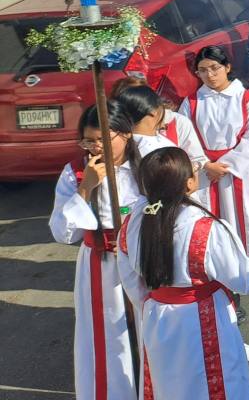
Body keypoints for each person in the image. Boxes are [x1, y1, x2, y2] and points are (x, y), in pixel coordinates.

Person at [117, 147, 249, 398]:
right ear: (190, 183)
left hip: (157, 318)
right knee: (214, 385)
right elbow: (248, 279)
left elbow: (132, 283)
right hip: (202, 318)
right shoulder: (205, 229)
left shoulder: (130, 225)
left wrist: (155, 304)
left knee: (168, 386)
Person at [50, 101, 141, 400]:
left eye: (102, 139)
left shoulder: (147, 164)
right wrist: (85, 188)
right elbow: (63, 233)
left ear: (126, 133)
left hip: (143, 261)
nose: (95, 148)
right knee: (109, 339)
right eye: (88, 141)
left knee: (147, 334)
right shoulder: (76, 172)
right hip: (101, 266)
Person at [179, 45, 249, 254]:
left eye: (215, 68)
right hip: (206, 171)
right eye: (203, 70)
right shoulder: (191, 103)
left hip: (240, 169)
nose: (210, 75)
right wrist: (206, 164)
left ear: (227, 67)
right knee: (212, 217)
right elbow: (184, 138)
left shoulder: (245, 98)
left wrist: (224, 166)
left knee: (247, 216)